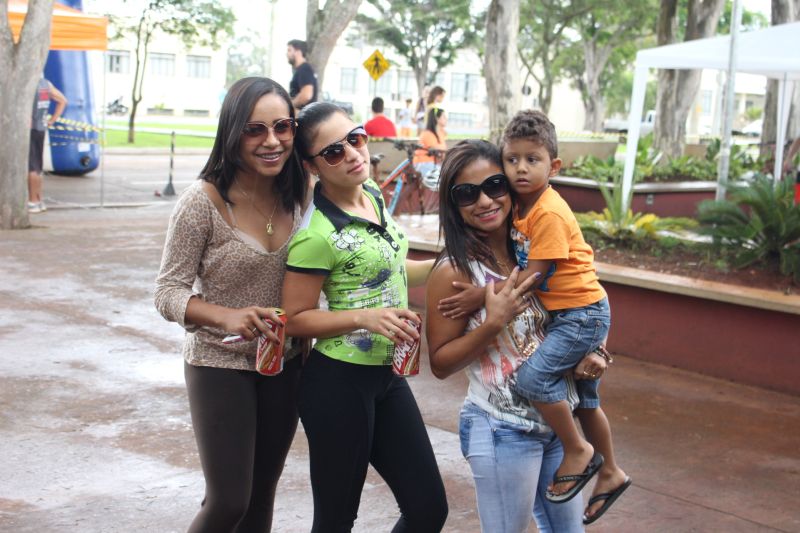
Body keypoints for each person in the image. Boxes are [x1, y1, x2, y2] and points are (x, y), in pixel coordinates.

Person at [426, 139, 610, 532]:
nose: (484, 201)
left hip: (556, 426)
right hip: (502, 430)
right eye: (467, 193)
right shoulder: (455, 271)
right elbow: (440, 363)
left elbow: (583, 302)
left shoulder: (534, 249)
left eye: (494, 185)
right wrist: (492, 323)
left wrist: (598, 350)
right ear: (453, 204)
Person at [282, 101, 448, 532]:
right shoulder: (317, 234)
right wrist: (364, 317)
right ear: (311, 166)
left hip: (387, 377)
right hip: (338, 384)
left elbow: (391, 268)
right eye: (333, 151)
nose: (353, 154)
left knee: (428, 509)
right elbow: (294, 318)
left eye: (355, 138)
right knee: (336, 521)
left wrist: (450, 266)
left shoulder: (372, 195)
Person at [154, 77, 310, 532]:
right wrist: (227, 317)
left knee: (260, 500)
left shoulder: (301, 194)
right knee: (228, 502)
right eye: (254, 130)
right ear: (232, 132)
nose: (272, 141)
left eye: (282, 127)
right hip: (218, 363)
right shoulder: (201, 202)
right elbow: (168, 291)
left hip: (284, 363)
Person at [28, 78, 67, 214]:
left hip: (29, 129)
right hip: (40, 128)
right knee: (37, 166)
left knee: (31, 166)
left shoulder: (27, 83)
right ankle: (38, 200)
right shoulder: (45, 83)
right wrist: (51, 121)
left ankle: (33, 201)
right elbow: (63, 101)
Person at [287, 39, 318, 110]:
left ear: (298, 52)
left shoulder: (304, 69)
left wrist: (289, 107)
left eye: (289, 50)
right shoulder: (301, 69)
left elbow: (306, 95)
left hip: (304, 114)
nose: (287, 54)